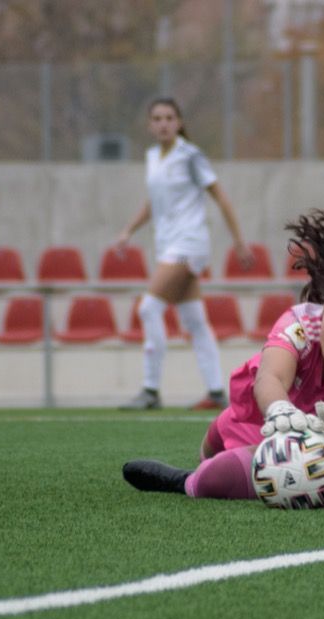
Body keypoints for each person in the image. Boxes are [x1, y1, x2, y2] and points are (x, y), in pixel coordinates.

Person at [122, 208, 324, 502]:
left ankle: (185, 482)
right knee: (222, 427)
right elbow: (271, 376)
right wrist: (280, 409)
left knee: (217, 476)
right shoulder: (301, 323)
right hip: (273, 422)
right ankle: (206, 468)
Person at [114, 97, 252, 411]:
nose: (163, 123)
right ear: (150, 125)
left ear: (179, 122)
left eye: (169, 118)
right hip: (168, 245)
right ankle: (216, 392)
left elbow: (221, 197)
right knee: (194, 320)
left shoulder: (190, 156)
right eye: (157, 118)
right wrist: (127, 231)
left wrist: (239, 241)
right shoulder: (153, 157)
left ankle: (150, 390)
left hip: (189, 244)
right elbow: (153, 203)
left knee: (148, 309)